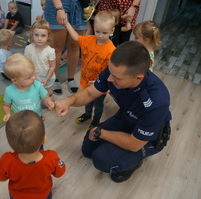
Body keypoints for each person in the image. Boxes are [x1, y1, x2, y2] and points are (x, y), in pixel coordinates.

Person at [55, 41, 172, 183]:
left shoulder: (157, 100)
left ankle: (136, 161)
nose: (110, 79)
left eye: (116, 78)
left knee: (102, 159)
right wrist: (68, 101)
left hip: (146, 137)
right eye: (110, 73)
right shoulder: (114, 71)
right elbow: (90, 93)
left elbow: (133, 144)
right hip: (126, 116)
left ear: (138, 78)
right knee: (88, 149)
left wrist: (100, 132)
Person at [0, 110, 66, 199]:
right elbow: (60, 173)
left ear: (10, 144)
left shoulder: (6, 160)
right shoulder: (51, 157)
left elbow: (1, 178)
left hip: (17, 196)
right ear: (43, 140)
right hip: (43, 195)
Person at [64, 11, 116, 129]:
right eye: (97, 31)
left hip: (100, 86)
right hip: (86, 81)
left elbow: (112, 71)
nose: (100, 35)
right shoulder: (89, 40)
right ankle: (87, 115)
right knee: (87, 101)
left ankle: (96, 121)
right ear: (93, 27)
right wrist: (67, 24)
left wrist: (101, 81)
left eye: (105, 32)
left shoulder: (111, 50)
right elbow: (76, 37)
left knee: (98, 105)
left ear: (112, 30)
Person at [44, 0, 87, 95]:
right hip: (59, 4)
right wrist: (59, 8)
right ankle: (53, 79)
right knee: (56, 48)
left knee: (75, 46)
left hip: (80, 6)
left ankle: (71, 78)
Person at [2, 53, 55, 122]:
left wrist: (48, 102)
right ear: (15, 80)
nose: (34, 77)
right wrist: (7, 113)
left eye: (33, 73)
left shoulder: (37, 85)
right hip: (20, 120)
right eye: (29, 77)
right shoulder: (9, 91)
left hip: (37, 116)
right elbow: (6, 105)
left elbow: (45, 98)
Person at [24, 20, 56, 96]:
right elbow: (25, 64)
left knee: (47, 93)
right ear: (32, 35)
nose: (39, 38)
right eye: (36, 35)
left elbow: (52, 66)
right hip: (34, 76)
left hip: (47, 77)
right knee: (34, 92)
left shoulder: (50, 51)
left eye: (43, 36)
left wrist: (47, 79)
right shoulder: (28, 49)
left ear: (48, 36)